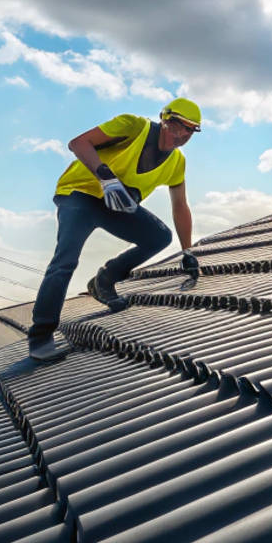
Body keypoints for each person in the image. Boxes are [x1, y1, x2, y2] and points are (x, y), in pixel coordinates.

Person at [26, 98, 202, 363]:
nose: (183, 134)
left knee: (159, 236)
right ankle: (41, 336)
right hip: (79, 195)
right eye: (178, 125)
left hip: (115, 204)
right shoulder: (134, 126)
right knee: (65, 260)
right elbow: (78, 143)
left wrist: (187, 250)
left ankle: (104, 280)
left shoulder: (176, 162)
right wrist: (105, 177)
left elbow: (180, 206)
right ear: (164, 119)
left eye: (190, 130)